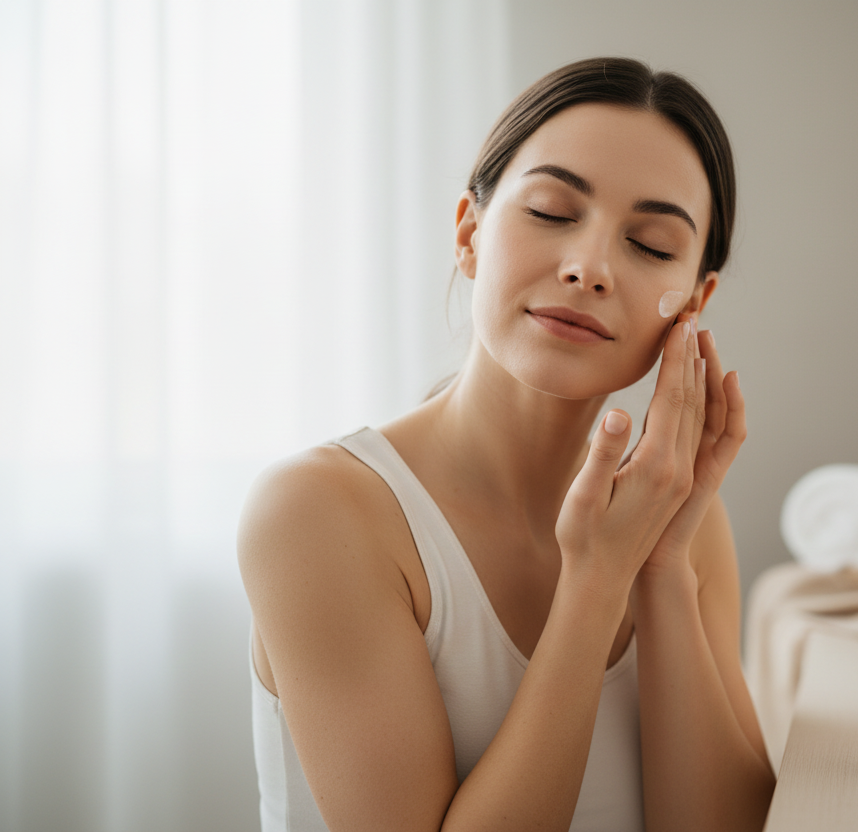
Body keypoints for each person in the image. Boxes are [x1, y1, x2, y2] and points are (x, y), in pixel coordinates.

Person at [238, 57, 775, 832]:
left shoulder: (678, 518)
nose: (588, 268)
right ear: (469, 234)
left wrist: (658, 566)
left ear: (692, 303)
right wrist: (597, 578)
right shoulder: (317, 512)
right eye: (552, 211)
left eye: (651, 245)